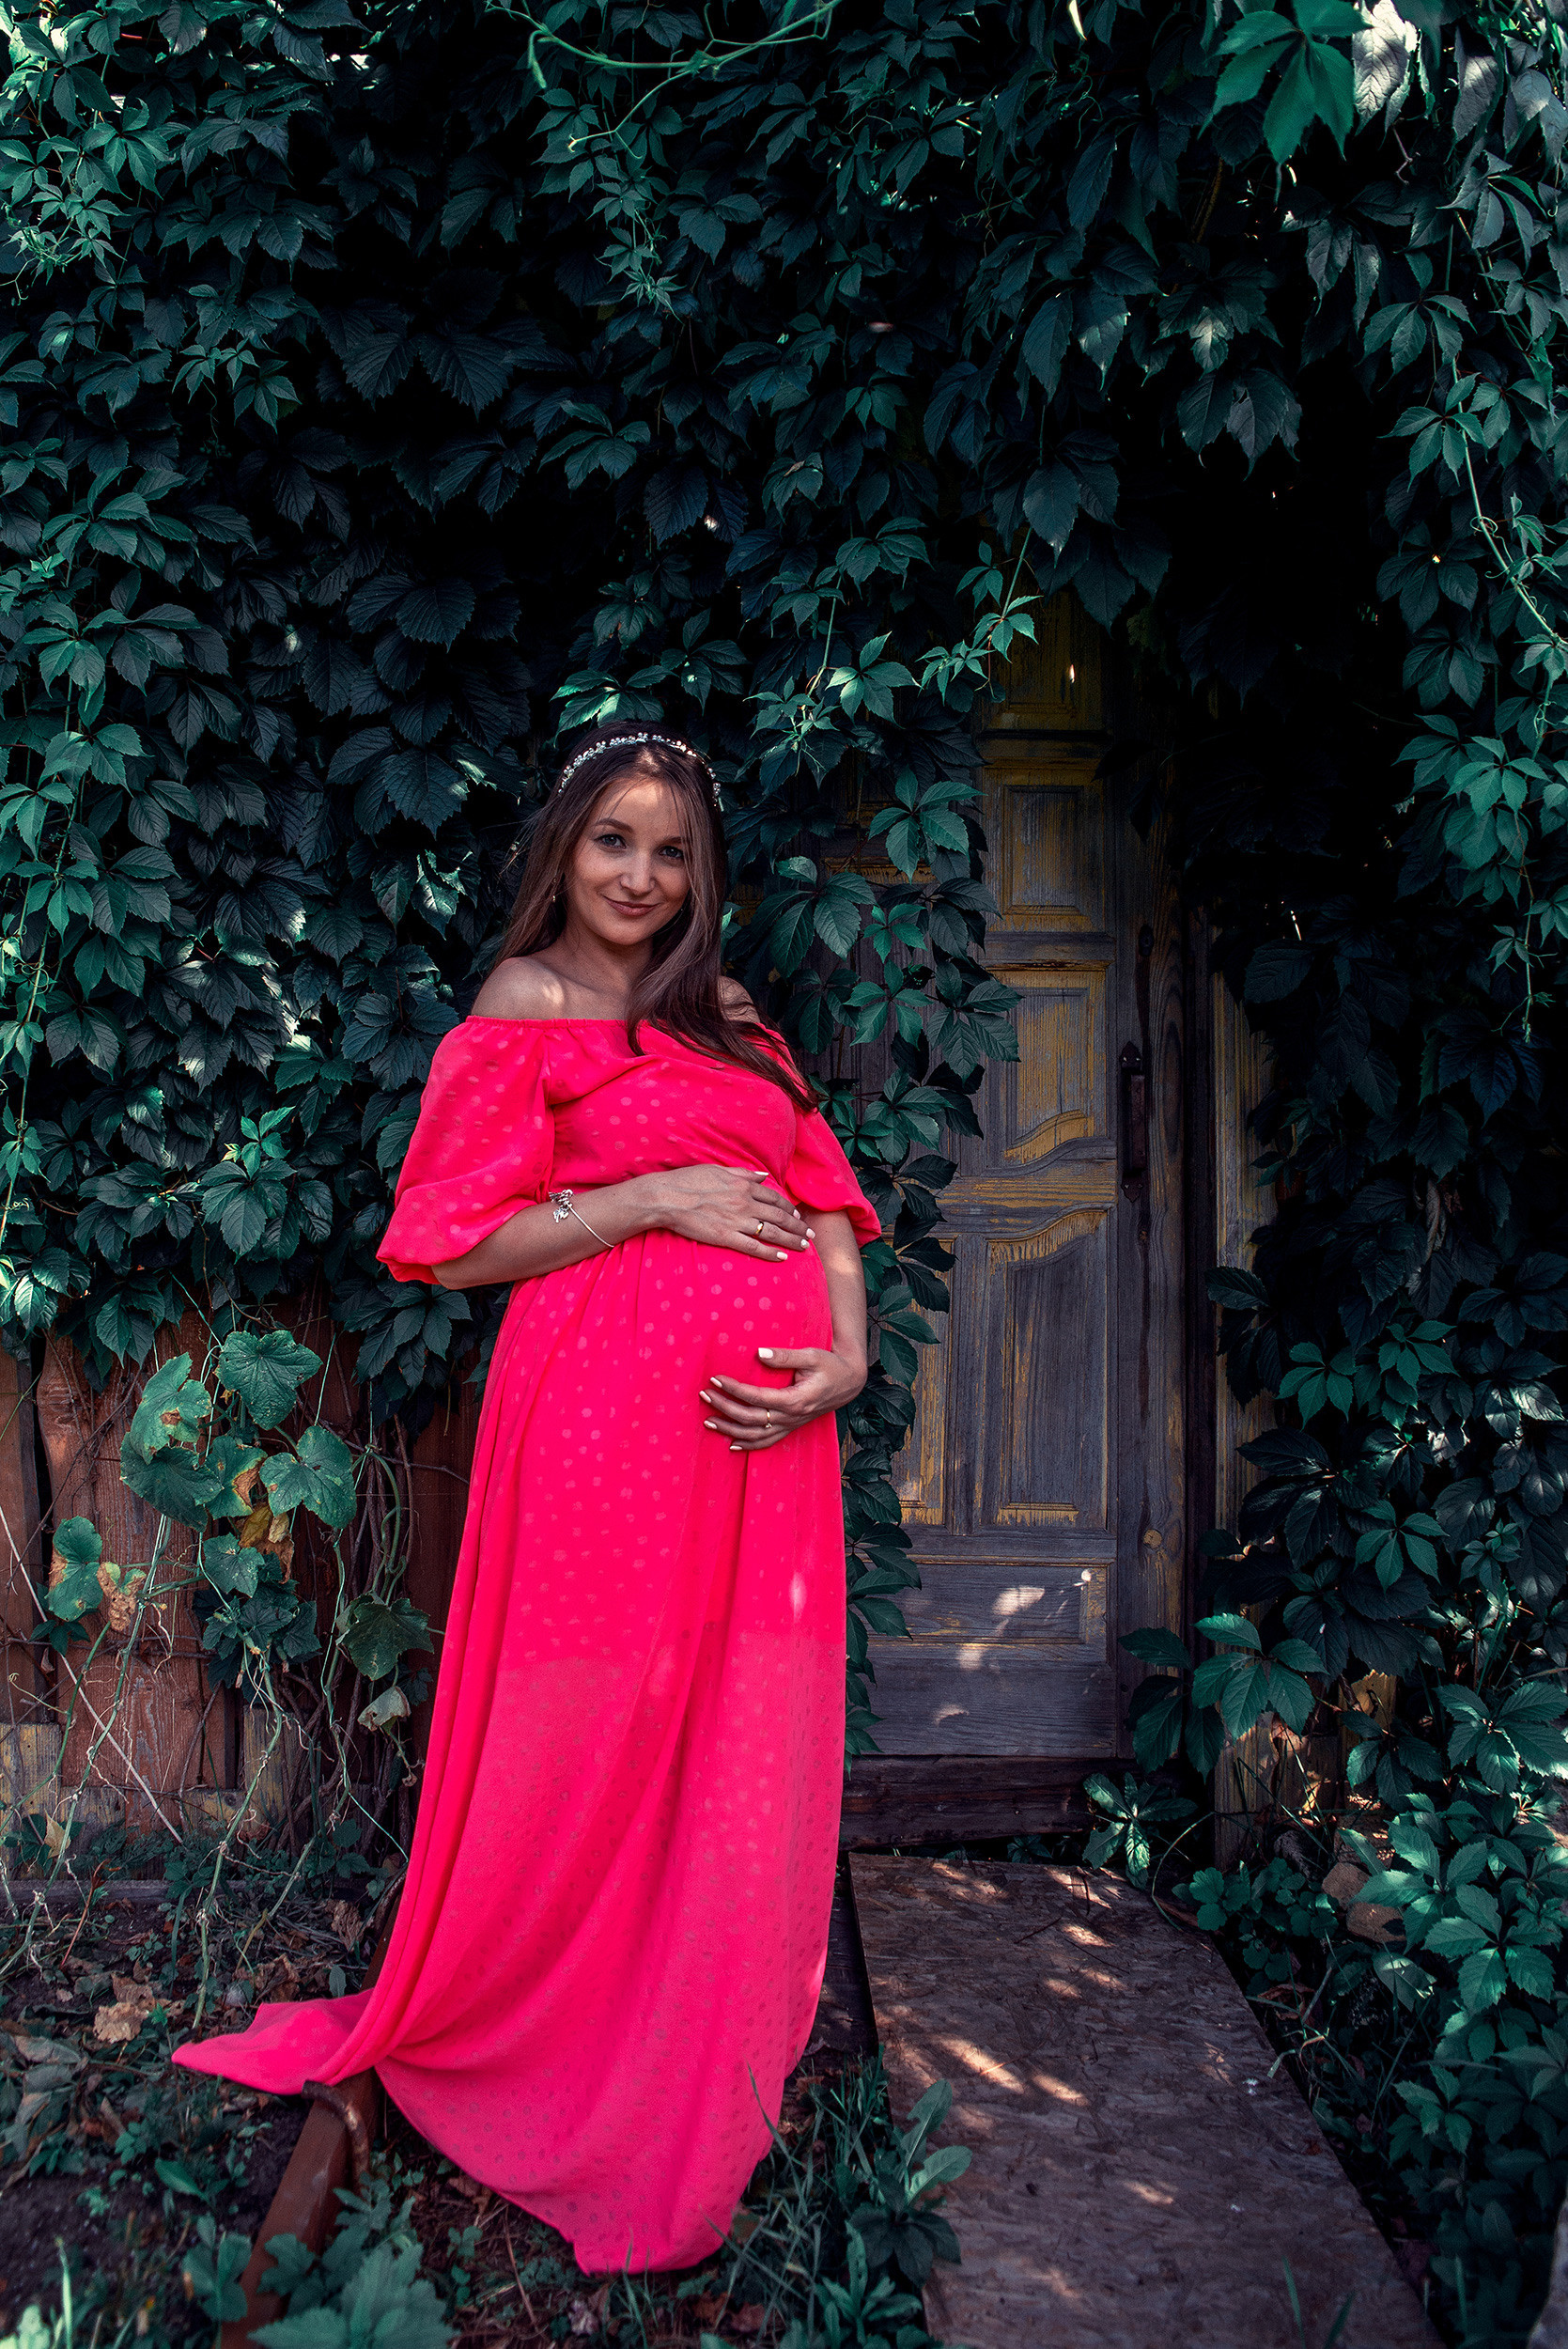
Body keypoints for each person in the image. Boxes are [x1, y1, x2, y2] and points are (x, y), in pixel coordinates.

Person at [175, 723, 879, 2275]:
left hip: (769, 1444)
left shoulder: (733, 1017)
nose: (640, 875)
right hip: (601, 1430)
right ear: (562, 849)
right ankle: (540, 2037)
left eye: (671, 849)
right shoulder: (526, 1007)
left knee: (730, 1728)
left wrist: (846, 1354)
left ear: (704, 875)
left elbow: (825, 1192)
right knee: (590, 1726)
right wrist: (647, 1197)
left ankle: (686, 2036)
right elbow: (443, 1234)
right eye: (612, 840)